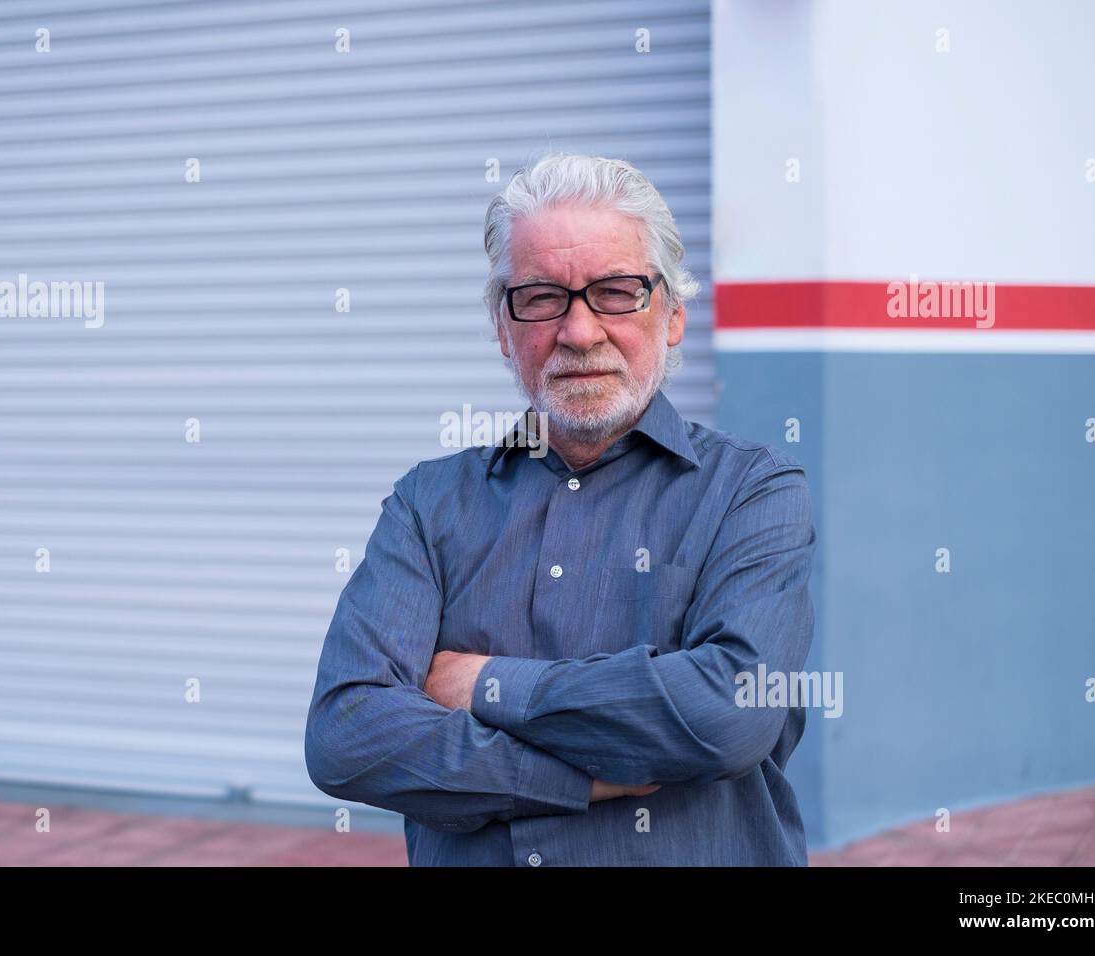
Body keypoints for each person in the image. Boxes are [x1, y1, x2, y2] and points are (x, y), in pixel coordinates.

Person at [305, 152, 815, 865]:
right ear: (503, 325)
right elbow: (346, 735)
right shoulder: (429, 504)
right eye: (542, 296)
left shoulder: (753, 491)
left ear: (671, 315)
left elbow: (730, 712)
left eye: (615, 291)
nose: (578, 333)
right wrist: (577, 778)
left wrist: (484, 683)